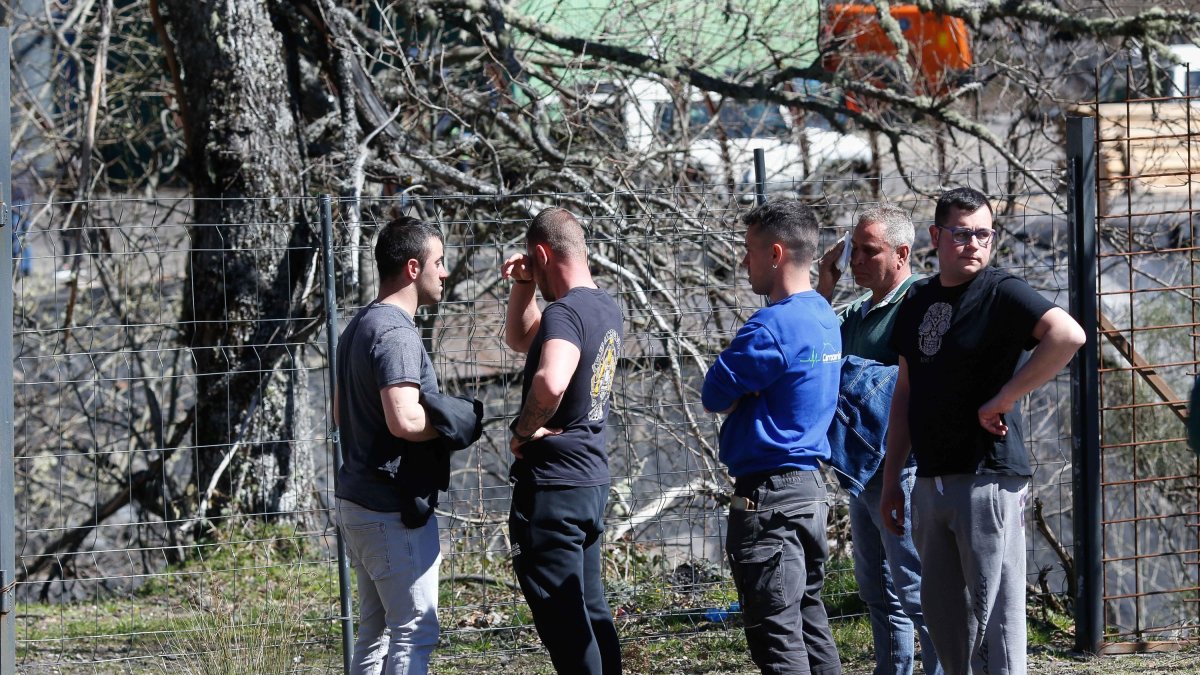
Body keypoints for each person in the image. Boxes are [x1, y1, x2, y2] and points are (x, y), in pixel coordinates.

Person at [879, 187, 1086, 675]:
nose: (973, 243)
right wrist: (891, 480)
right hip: (930, 481)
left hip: (987, 478)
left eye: (983, 234)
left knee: (997, 621)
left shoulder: (1001, 291)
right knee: (945, 621)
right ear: (935, 236)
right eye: (961, 233)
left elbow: (1068, 335)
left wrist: (1005, 397)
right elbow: (905, 392)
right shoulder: (917, 300)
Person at [702, 199, 843, 675]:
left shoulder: (771, 326)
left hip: (770, 501)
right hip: (809, 492)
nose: (744, 262)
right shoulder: (823, 315)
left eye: (749, 250)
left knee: (777, 638)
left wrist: (748, 391)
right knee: (809, 623)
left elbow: (714, 393)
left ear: (776, 253)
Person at [816, 206, 942, 675]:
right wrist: (824, 285)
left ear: (902, 253)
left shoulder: (921, 304)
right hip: (862, 470)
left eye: (869, 251)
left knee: (916, 588)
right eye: (853, 250)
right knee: (878, 588)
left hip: (904, 467)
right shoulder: (857, 313)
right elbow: (808, 344)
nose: (856, 261)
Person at [501, 207, 624, 675]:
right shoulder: (603, 307)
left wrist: (523, 429)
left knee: (567, 630)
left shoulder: (565, 312)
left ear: (542, 253)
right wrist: (524, 285)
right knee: (591, 615)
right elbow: (522, 340)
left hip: (552, 491)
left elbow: (551, 381)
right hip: (589, 484)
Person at [333, 216, 454, 675]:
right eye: (438, 262)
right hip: (391, 510)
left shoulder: (359, 326)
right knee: (414, 630)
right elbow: (404, 419)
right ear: (412, 268)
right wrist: (450, 424)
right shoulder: (396, 333)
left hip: (357, 502)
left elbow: (339, 414)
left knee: (375, 633)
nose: (445, 272)